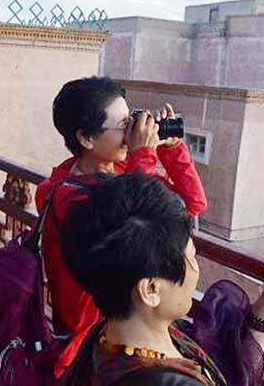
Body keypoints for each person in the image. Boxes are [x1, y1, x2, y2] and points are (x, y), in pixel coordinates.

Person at [58, 174, 264, 386]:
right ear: (151, 289)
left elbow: (230, 371)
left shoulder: (110, 337)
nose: (196, 271)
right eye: (192, 257)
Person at [35, 77, 208, 375]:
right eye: (123, 126)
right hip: (90, 339)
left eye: (133, 120)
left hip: (126, 322)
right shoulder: (67, 193)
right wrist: (143, 155)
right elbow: (134, 231)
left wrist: (172, 148)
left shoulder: (119, 173)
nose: (132, 133)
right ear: (86, 138)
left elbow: (193, 204)